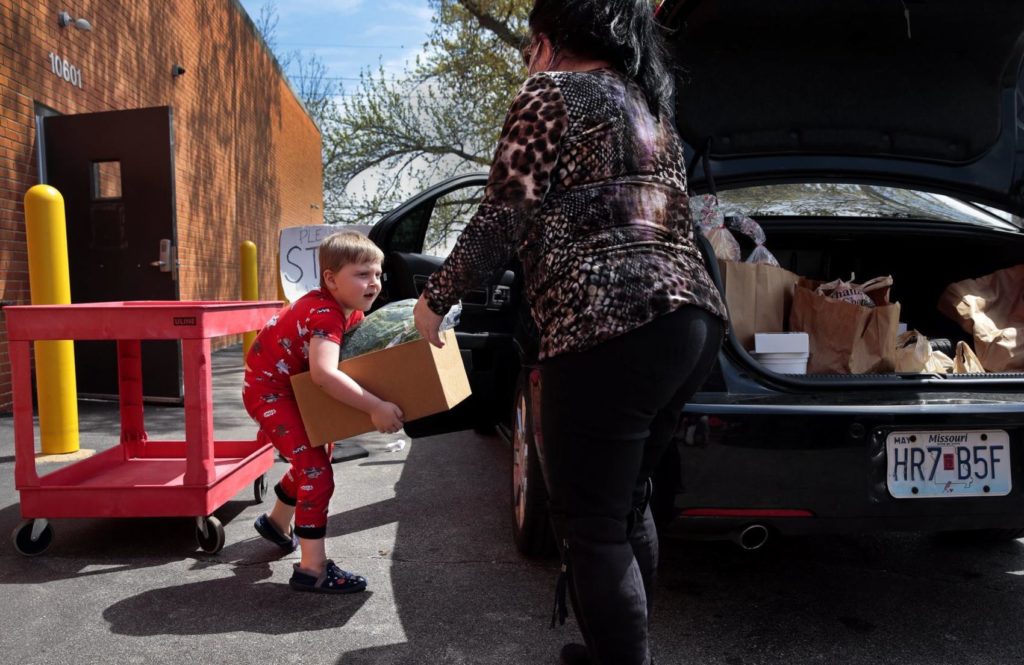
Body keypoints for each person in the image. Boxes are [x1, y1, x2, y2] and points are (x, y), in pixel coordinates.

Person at [413, 0, 728, 662]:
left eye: (530, 43)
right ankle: (611, 646)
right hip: (690, 323)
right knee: (625, 501)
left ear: (550, 42)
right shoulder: (649, 109)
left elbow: (504, 212)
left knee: (589, 524)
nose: (527, 56)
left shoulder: (550, 91)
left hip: (606, 326)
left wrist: (436, 297)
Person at [244, 230, 404, 594]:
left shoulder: (348, 312)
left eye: (377, 274)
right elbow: (324, 374)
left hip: (289, 390)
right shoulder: (326, 313)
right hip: (270, 393)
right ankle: (312, 569)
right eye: (362, 274)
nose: (373, 283)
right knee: (316, 472)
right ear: (331, 279)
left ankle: (276, 523)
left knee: (316, 456)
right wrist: (375, 406)